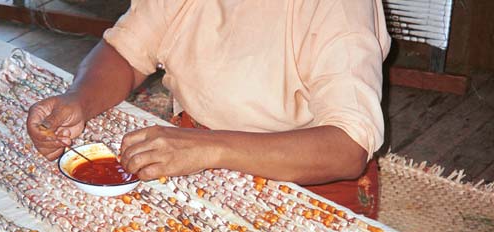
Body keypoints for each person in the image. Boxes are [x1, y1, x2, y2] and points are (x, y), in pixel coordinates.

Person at [27, 0, 391, 218]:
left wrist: (209, 149)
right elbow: (126, 50)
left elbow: (347, 148)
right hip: (191, 150)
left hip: (301, 178)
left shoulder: (339, 7)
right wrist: (79, 99)